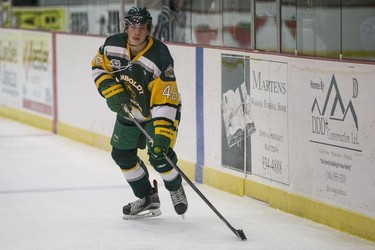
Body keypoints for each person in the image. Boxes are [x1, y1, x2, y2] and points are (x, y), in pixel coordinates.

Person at [91, 7, 187, 219]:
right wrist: (111, 89)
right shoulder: (112, 45)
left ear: (149, 30)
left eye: (142, 28)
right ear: (126, 27)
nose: (137, 32)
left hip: (157, 113)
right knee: (121, 155)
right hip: (130, 110)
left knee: (159, 155)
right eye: (133, 27)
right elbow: (99, 67)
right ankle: (147, 198)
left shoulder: (160, 56)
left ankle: (175, 187)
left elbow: (165, 98)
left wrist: (161, 133)